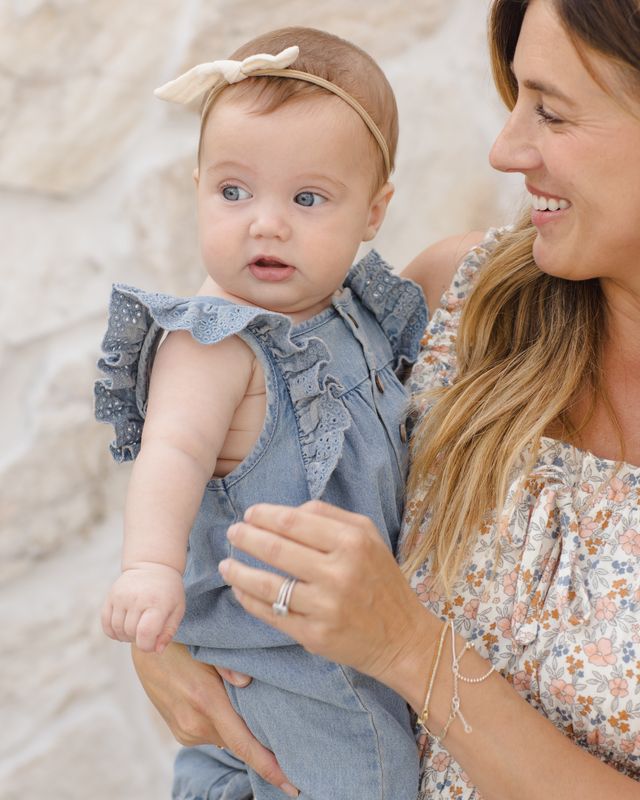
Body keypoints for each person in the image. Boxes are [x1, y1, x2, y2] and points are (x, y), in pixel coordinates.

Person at [131, 1, 640, 798]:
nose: (506, 149)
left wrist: (409, 647)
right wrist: (159, 630)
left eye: (551, 111)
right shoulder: (452, 304)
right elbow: (240, 447)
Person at [95, 26, 429, 800]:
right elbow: (171, 452)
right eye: (233, 191)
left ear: (374, 212)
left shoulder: (356, 312)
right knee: (374, 775)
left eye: (307, 199)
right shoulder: (216, 344)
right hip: (282, 648)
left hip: (348, 620)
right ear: (198, 185)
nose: (265, 223)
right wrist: (148, 568)